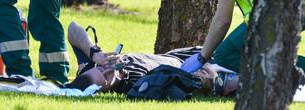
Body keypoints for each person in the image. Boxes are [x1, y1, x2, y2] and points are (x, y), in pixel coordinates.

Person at [65, 21, 236, 96]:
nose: (109, 69)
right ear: (100, 89)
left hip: (184, 54)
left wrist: (95, 53)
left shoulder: (93, 66)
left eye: (102, 69)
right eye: (105, 76)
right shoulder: (136, 87)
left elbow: (73, 29)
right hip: (192, 68)